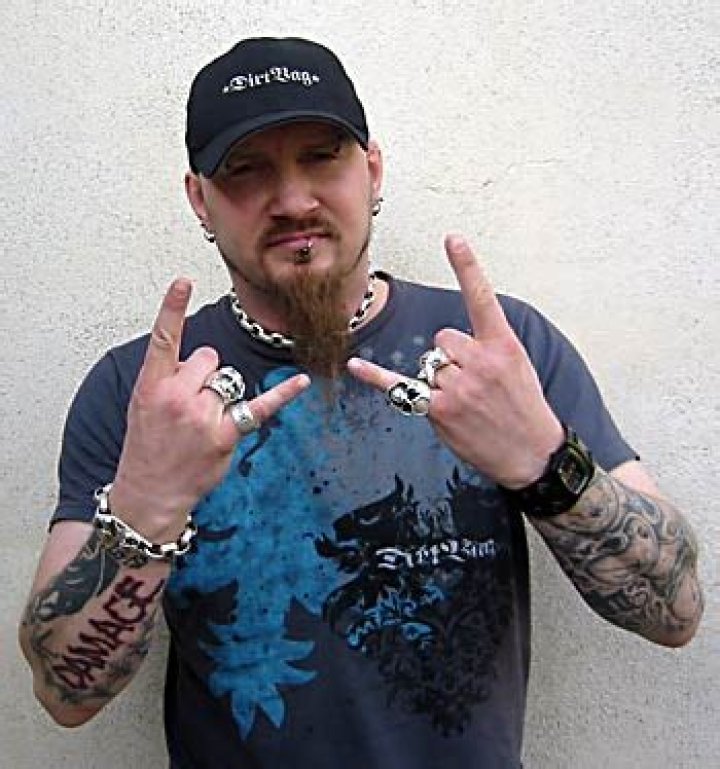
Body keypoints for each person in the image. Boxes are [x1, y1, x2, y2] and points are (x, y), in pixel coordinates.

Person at [19, 36, 703, 769]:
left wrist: (546, 466)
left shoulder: (497, 352)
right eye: (247, 169)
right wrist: (146, 507)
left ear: (372, 171)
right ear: (200, 200)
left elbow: (675, 612)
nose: (293, 200)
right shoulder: (143, 392)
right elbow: (66, 694)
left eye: (322, 157)